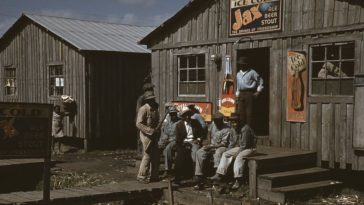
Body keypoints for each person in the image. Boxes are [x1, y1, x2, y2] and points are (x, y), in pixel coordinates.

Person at [209, 112, 257, 190]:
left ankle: (238, 179)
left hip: (250, 148)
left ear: (239, 121)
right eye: (232, 121)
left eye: (235, 121)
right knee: (225, 154)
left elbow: (244, 145)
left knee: (239, 157)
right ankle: (220, 174)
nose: (233, 123)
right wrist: (229, 150)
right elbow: (232, 142)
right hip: (240, 147)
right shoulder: (233, 129)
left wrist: (236, 153)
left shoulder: (245, 129)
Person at [193, 113, 234, 190]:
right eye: (215, 121)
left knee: (217, 153)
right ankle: (199, 175)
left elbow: (223, 143)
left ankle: (217, 174)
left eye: (218, 121)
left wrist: (213, 146)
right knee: (199, 152)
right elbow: (209, 133)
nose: (216, 123)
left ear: (221, 120)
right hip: (212, 144)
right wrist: (208, 143)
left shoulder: (226, 129)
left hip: (222, 147)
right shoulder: (213, 124)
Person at [174, 107, 204, 184]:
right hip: (183, 142)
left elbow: (201, 133)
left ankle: (196, 175)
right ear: (183, 117)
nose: (187, 117)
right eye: (185, 115)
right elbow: (178, 139)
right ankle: (177, 177)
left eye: (188, 115)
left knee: (196, 153)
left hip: (193, 141)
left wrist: (198, 140)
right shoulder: (179, 125)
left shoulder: (195, 122)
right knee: (180, 155)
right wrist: (183, 144)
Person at [136, 91, 160, 183]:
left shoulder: (155, 109)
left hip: (155, 135)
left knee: (156, 155)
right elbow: (138, 124)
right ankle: (141, 176)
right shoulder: (143, 109)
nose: (152, 101)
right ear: (147, 100)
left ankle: (154, 176)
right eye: (150, 99)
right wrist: (149, 131)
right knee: (147, 154)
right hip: (146, 135)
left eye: (153, 99)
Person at [235, 56, 263, 127]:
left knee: (249, 113)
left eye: (243, 64)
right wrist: (237, 95)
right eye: (240, 64)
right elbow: (238, 86)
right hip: (241, 94)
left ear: (246, 64)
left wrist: (258, 92)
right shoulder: (238, 74)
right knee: (240, 113)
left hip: (249, 93)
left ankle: (249, 131)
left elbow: (260, 81)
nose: (242, 66)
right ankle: (242, 130)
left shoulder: (252, 72)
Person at [158, 106, 180, 178]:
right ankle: (154, 170)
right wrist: (163, 141)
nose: (173, 115)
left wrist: (170, 140)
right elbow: (165, 133)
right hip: (167, 139)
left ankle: (167, 170)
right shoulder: (168, 122)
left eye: (174, 114)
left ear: (176, 114)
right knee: (156, 148)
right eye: (171, 114)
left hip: (176, 140)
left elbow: (180, 135)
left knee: (167, 149)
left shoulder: (180, 122)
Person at [135, 82, 155, 154]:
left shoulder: (151, 97)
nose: (152, 90)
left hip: (148, 119)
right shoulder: (142, 98)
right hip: (141, 119)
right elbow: (139, 109)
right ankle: (140, 153)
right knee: (140, 138)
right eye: (151, 89)